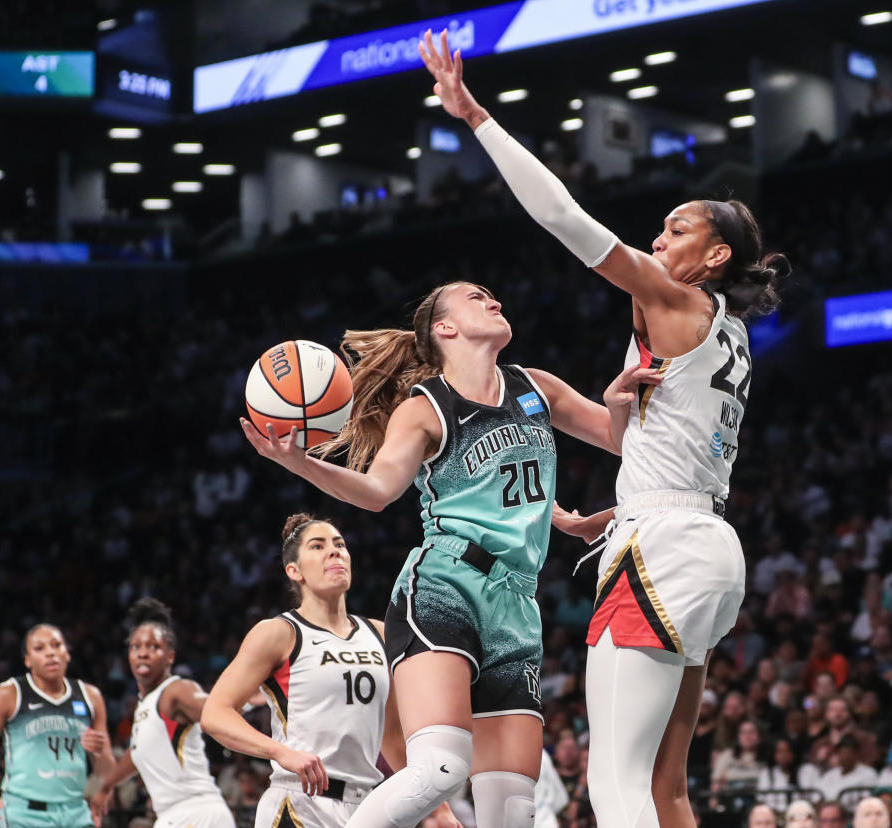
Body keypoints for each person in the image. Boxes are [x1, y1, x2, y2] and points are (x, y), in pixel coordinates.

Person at [419, 27, 788, 828]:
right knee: (667, 791)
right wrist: (618, 410)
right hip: (710, 547)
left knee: (613, 790)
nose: (658, 241)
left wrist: (476, 116)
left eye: (678, 228)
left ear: (715, 254)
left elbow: (562, 215)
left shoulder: (675, 299)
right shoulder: (729, 331)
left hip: (660, 545)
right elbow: (640, 444)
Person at [240, 279, 636, 828]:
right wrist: (301, 463)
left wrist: (612, 418)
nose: (494, 299)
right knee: (442, 767)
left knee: (513, 810)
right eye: (476, 297)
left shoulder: (535, 388)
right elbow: (378, 492)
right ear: (444, 328)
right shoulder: (427, 408)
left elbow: (620, 442)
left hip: (517, 601)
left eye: (493, 294)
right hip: (446, 584)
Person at [200, 514, 459, 828]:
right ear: (294, 571)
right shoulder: (279, 633)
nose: (334, 551)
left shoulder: (380, 634)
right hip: (298, 803)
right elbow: (215, 713)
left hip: (367, 807)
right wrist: (279, 752)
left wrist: (437, 807)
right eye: (317, 546)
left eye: (339, 544)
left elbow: (393, 737)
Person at [91, 598, 233, 828]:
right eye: (136, 647)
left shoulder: (176, 690)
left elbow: (216, 710)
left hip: (196, 813)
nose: (143, 653)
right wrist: (107, 785)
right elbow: (137, 752)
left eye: (153, 647)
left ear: (170, 656)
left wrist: (245, 699)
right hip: (174, 817)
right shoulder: (146, 705)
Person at [0, 624, 114, 828]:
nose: (50, 653)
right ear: (27, 660)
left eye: (56, 645)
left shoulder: (91, 696)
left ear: (67, 653)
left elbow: (106, 771)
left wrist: (99, 754)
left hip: (76, 812)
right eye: (39, 648)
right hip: (24, 814)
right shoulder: (7, 695)